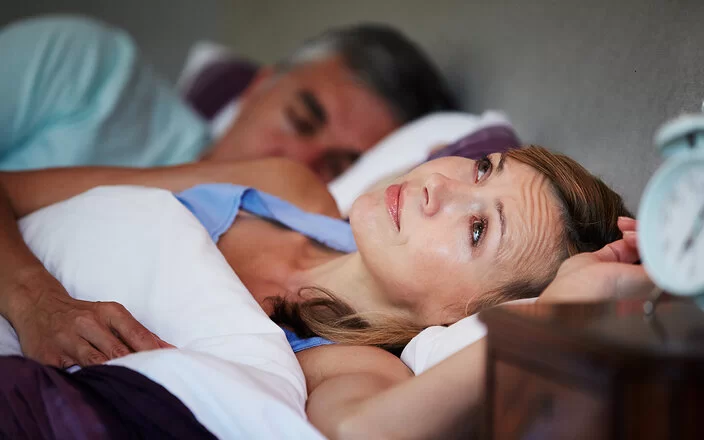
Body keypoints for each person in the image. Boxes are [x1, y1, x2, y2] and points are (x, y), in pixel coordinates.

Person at [0, 146, 641, 437]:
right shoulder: (283, 187)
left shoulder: (353, 363)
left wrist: (555, 316)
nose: (437, 189)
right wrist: (32, 297)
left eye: (477, 229)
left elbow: (367, 430)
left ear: (462, 315)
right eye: (482, 169)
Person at [0, 15, 456, 182]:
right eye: (299, 119)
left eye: (337, 168)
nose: (296, 163)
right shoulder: (86, 65)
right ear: (259, 86)